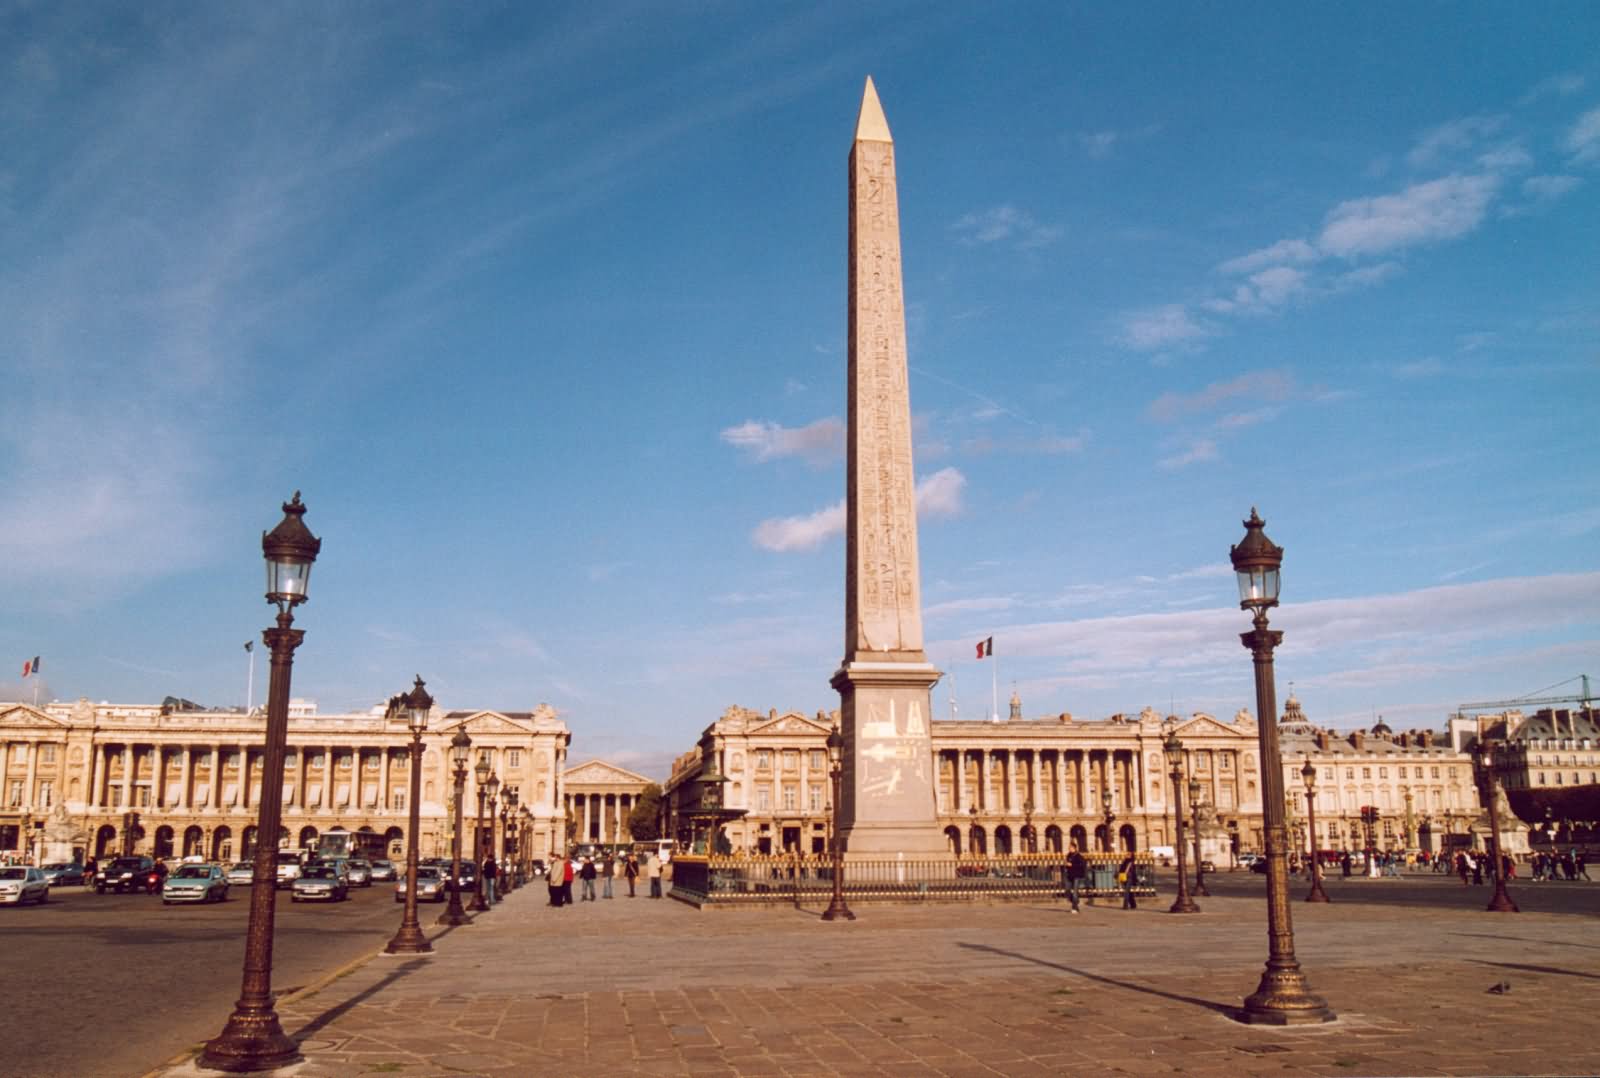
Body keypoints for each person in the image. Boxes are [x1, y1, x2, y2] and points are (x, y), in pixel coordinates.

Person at [1063, 844, 1086, 914]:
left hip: (1076, 875)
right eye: (1069, 848)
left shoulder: (1078, 856)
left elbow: (1082, 865)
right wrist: (1066, 865)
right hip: (1069, 875)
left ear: (1074, 848)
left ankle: (1074, 907)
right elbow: (1067, 864)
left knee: (1075, 892)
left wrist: (1072, 865)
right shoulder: (1068, 855)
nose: (1069, 849)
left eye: (1070, 848)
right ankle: (1076, 901)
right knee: (1067, 891)